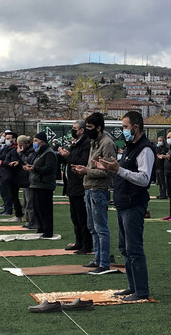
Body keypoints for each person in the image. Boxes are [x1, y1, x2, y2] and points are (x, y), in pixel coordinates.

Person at [93, 110, 155, 299]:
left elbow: (144, 179)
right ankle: (132, 286)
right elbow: (123, 172)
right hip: (123, 204)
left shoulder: (145, 149)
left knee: (134, 248)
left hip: (134, 204)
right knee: (124, 249)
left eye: (126, 127)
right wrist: (110, 169)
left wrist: (119, 170)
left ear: (136, 127)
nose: (124, 131)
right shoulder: (130, 146)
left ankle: (141, 290)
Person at [72, 112, 117, 275]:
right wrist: (82, 170)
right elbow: (92, 167)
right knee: (92, 227)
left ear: (98, 127)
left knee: (101, 228)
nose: (87, 130)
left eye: (90, 127)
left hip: (99, 189)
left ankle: (104, 262)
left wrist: (87, 171)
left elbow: (108, 171)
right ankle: (98, 258)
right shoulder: (94, 142)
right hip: (89, 188)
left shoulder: (107, 144)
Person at [59, 120, 93, 254]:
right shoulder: (75, 144)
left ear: (81, 130)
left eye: (74, 128)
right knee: (75, 217)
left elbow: (83, 162)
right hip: (72, 185)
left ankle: (86, 244)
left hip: (80, 185)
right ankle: (79, 242)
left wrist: (69, 156)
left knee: (82, 217)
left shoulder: (86, 144)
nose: (72, 131)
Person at [24, 132, 58, 238]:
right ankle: (41, 227)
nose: (34, 143)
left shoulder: (49, 153)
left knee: (45, 209)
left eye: (35, 141)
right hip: (37, 184)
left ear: (42, 142)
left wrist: (34, 169)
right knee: (38, 208)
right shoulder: (39, 153)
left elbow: (49, 168)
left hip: (45, 185)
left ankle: (48, 231)